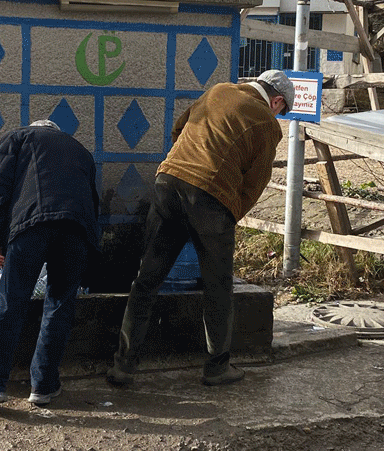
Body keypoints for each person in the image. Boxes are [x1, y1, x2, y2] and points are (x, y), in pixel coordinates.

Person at [108, 69, 292, 388]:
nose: (278, 114)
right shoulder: (267, 123)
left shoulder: (218, 89)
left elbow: (180, 128)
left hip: (168, 180)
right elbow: (254, 183)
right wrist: (228, 216)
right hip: (212, 197)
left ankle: (123, 365)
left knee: (147, 278)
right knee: (217, 286)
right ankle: (217, 367)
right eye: (281, 109)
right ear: (276, 100)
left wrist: (185, 168)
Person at [0, 119, 100, 409]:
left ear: (35, 128)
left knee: (10, 301)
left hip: (32, 225)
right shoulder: (81, 151)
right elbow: (93, 203)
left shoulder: (18, 138)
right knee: (60, 306)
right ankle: (44, 387)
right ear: (55, 131)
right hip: (77, 231)